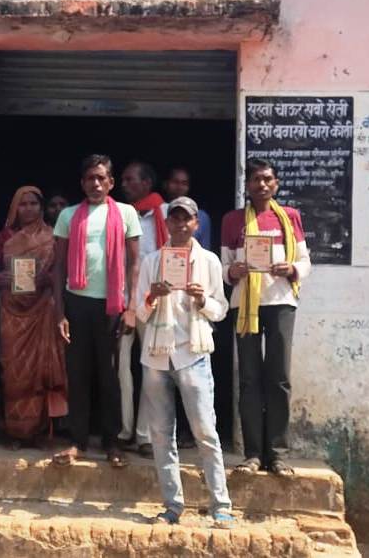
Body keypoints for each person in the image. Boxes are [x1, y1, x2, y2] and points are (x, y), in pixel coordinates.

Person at [135, 196, 234, 528]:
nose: (180, 224)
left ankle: (221, 504)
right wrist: (152, 296)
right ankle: (172, 506)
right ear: (167, 223)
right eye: (174, 219)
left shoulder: (209, 262)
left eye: (186, 219)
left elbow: (221, 310)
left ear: (196, 223)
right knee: (162, 435)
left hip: (193, 352)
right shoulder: (152, 261)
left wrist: (202, 299)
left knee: (205, 431)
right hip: (156, 355)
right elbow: (139, 312)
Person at [221, 158, 311, 477]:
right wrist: (232, 271)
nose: (261, 184)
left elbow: (304, 260)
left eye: (267, 179)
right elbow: (224, 265)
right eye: (255, 179)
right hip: (244, 305)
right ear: (246, 185)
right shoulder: (233, 220)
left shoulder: (290, 216)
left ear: (276, 183)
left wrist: (292, 268)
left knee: (279, 378)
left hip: (281, 303)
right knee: (249, 378)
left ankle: (277, 454)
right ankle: (253, 454)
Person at [51, 155, 141, 468]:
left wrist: (131, 307)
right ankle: (77, 441)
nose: (96, 184)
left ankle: (112, 442)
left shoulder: (127, 213)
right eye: (90, 178)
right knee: (77, 374)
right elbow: (58, 267)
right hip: (76, 303)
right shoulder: (68, 216)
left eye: (101, 178)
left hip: (112, 305)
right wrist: (59, 313)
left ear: (111, 182)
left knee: (110, 376)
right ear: (82, 183)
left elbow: (135, 263)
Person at [0, 186, 67, 448]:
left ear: (41, 208)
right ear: (15, 208)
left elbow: (62, 272)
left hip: (43, 309)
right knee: (14, 372)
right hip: (12, 313)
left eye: (34, 203)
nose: (28, 209)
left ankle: (40, 432)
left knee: (41, 370)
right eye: (23, 204)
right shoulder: (4, 238)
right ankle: (15, 432)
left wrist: (48, 279)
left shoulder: (53, 237)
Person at [119, 161, 170, 458]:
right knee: (120, 369)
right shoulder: (120, 214)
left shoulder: (166, 214)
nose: (124, 184)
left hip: (156, 302)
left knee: (152, 370)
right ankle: (123, 430)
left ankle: (144, 436)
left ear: (147, 183)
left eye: (130, 179)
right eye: (123, 179)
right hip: (124, 302)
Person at [163, 167, 212, 250]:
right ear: (165, 184)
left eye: (184, 183)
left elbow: (205, 247)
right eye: (175, 182)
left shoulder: (201, 216)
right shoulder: (155, 212)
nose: (179, 187)